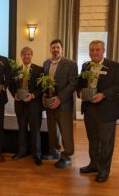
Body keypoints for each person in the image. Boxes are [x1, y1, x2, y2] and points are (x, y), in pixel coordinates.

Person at [78, 40, 119, 183]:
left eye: (97, 49)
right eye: (92, 50)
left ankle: (104, 170)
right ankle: (94, 165)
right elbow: (80, 84)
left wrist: (103, 94)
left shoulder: (115, 66)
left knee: (106, 143)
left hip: (107, 111)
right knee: (92, 140)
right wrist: (79, 93)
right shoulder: (86, 66)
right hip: (89, 109)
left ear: (103, 50)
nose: (94, 52)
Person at [42, 39, 78, 169]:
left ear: (62, 49)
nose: (55, 50)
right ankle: (54, 151)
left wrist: (59, 99)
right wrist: (44, 97)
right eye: (53, 48)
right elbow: (45, 83)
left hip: (64, 104)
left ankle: (67, 155)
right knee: (52, 129)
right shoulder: (46, 63)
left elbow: (73, 83)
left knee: (66, 131)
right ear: (50, 49)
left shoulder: (71, 64)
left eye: (57, 47)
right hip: (49, 103)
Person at [9, 46, 43, 166]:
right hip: (20, 105)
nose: (26, 56)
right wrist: (15, 95)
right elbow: (11, 86)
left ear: (31, 55)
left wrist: (33, 95)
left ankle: (37, 154)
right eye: (24, 54)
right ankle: (21, 151)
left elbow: (42, 88)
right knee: (22, 129)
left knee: (35, 130)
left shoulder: (39, 70)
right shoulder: (15, 71)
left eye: (28, 54)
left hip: (34, 106)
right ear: (21, 56)